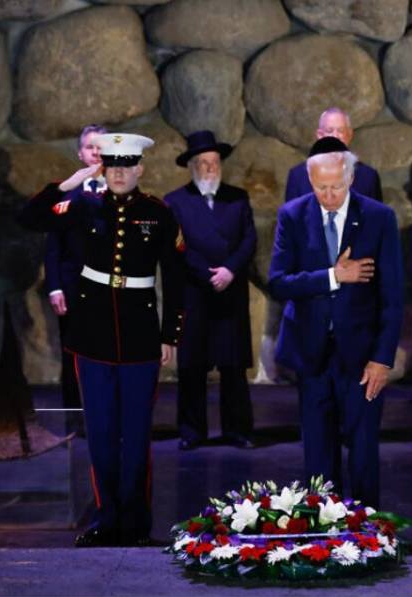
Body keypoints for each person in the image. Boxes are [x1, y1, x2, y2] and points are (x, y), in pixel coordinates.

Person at [19, 133, 185, 547]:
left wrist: (170, 334)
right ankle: (106, 518)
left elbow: (176, 278)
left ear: (140, 168)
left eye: (127, 165)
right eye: (112, 166)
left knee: (135, 434)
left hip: (140, 337)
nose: (119, 173)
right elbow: (29, 217)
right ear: (103, 168)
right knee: (102, 432)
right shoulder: (82, 207)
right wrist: (70, 182)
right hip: (91, 335)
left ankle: (135, 522)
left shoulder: (158, 213)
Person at [269, 136, 403, 508]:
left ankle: (367, 535)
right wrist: (332, 276)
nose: (329, 195)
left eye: (337, 187)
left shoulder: (379, 218)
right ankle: (325, 535)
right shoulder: (293, 216)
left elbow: (392, 297)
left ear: (351, 179)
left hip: (362, 357)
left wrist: (383, 358)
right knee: (318, 454)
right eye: (321, 188)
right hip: (311, 353)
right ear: (310, 182)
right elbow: (278, 282)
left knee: (362, 451)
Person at [165, 130, 256, 450]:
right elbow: (177, 246)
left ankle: (238, 430)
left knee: (233, 368)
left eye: (214, 162)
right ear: (191, 166)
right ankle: (191, 432)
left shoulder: (238, 197)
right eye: (203, 163)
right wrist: (207, 273)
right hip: (195, 293)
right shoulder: (175, 202)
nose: (209, 168)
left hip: (230, 293)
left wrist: (230, 269)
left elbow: (249, 240)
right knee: (192, 369)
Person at [45, 124, 106, 435]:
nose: (95, 152)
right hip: (73, 288)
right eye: (90, 147)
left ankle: (108, 418)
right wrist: (54, 286)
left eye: (100, 146)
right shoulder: (66, 196)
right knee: (74, 360)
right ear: (80, 154)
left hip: (110, 291)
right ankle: (74, 421)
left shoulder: (123, 192)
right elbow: (53, 246)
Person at [284, 107, 383, 203]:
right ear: (320, 135)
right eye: (329, 131)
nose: (335, 136)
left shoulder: (368, 177)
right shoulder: (298, 177)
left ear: (349, 135)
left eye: (340, 131)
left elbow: (376, 218)